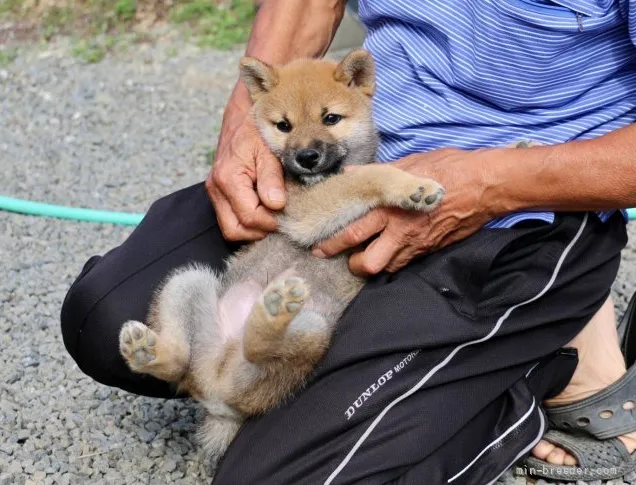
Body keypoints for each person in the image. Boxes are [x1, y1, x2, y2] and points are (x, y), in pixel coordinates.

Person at [60, 1, 636, 483]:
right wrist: (251, 118)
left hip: (513, 201)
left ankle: (518, 379)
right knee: (103, 319)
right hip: (352, 165)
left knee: (277, 477)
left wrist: (490, 185)